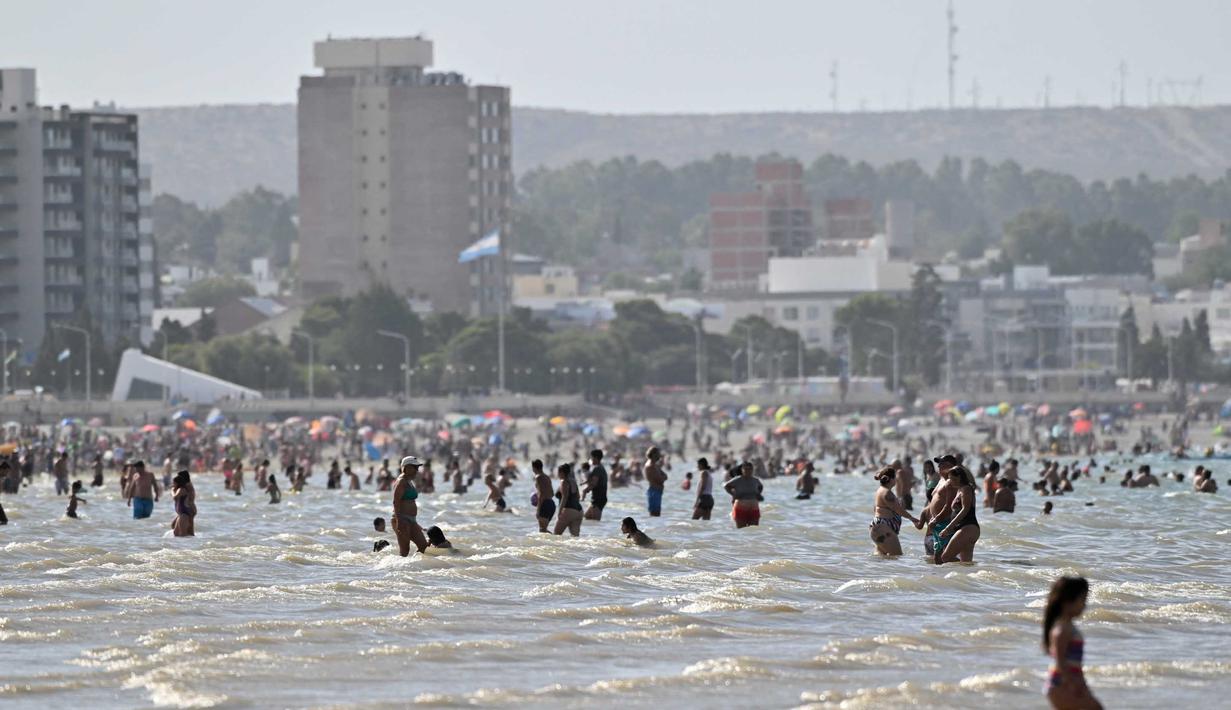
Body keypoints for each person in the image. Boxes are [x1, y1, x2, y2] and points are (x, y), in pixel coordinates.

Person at [1043, 576, 1101, 709]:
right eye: (1082, 600)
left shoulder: (1068, 627)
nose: (1084, 606)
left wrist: (1082, 684)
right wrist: (1073, 684)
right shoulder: (1062, 629)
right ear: (1067, 602)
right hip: (1061, 685)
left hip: (1068, 684)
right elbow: (1060, 660)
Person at [870, 466, 920, 556]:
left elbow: (875, 509)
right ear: (891, 479)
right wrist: (912, 519)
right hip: (884, 528)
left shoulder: (879, 491)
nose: (896, 480)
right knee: (897, 556)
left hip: (877, 526)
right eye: (895, 478)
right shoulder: (887, 493)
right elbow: (898, 510)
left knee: (882, 558)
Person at [936, 465, 980, 564]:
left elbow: (965, 509)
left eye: (952, 478)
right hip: (966, 529)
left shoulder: (966, 489)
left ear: (959, 477)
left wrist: (948, 528)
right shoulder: (959, 490)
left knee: (945, 557)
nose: (950, 481)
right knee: (965, 563)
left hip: (968, 527)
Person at [391, 456, 428, 556]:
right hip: (402, 519)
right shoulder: (401, 482)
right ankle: (399, 570)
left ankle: (416, 568)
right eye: (414, 467)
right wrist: (399, 521)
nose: (417, 470)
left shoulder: (409, 481)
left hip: (412, 520)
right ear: (406, 468)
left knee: (424, 547)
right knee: (404, 551)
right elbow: (396, 501)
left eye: (417, 468)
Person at [724, 461, 763, 529]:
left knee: (754, 530)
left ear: (752, 470)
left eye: (750, 469)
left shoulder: (755, 480)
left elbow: (760, 486)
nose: (748, 471)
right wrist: (733, 494)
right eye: (746, 469)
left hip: (754, 508)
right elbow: (726, 486)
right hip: (740, 508)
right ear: (742, 470)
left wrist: (758, 494)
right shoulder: (738, 479)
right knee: (741, 531)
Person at [553, 462, 583, 536]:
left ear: (561, 472)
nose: (557, 474)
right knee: (575, 538)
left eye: (558, 472)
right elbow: (578, 496)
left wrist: (559, 512)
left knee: (556, 535)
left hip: (568, 510)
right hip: (579, 511)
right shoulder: (573, 481)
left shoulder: (563, 482)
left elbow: (564, 497)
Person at [582, 449, 608, 521]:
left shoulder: (597, 468)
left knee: (595, 521)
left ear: (596, 458)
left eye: (592, 457)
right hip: (597, 498)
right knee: (586, 518)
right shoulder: (600, 467)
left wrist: (585, 490)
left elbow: (594, 483)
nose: (591, 459)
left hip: (598, 499)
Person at [532, 459, 555, 532]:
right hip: (551, 504)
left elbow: (541, 494)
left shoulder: (538, 477)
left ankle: (556, 542)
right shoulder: (547, 477)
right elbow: (552, 493)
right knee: (544, 530)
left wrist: (538, 509)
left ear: (534, 468)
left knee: (542, 530)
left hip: (544, 504)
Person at [170, 470, 196, 537]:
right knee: (174, 525)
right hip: (186, 509)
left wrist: (173, 490)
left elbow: (176, 496)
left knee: (189, 532)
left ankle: (190, 544)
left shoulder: (187, 486)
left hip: (189, 509)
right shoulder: (186, 485)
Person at [644, 447, 667, 517]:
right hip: (654, 492)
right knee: (655, 514)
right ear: (654, 454)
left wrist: (662, 477)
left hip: (657, 492)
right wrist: (662, 477)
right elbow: (661, 479)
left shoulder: (655, 465)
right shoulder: (650, 466)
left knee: (657, 514)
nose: (659, 456)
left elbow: (665, 476)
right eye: (658, 454)